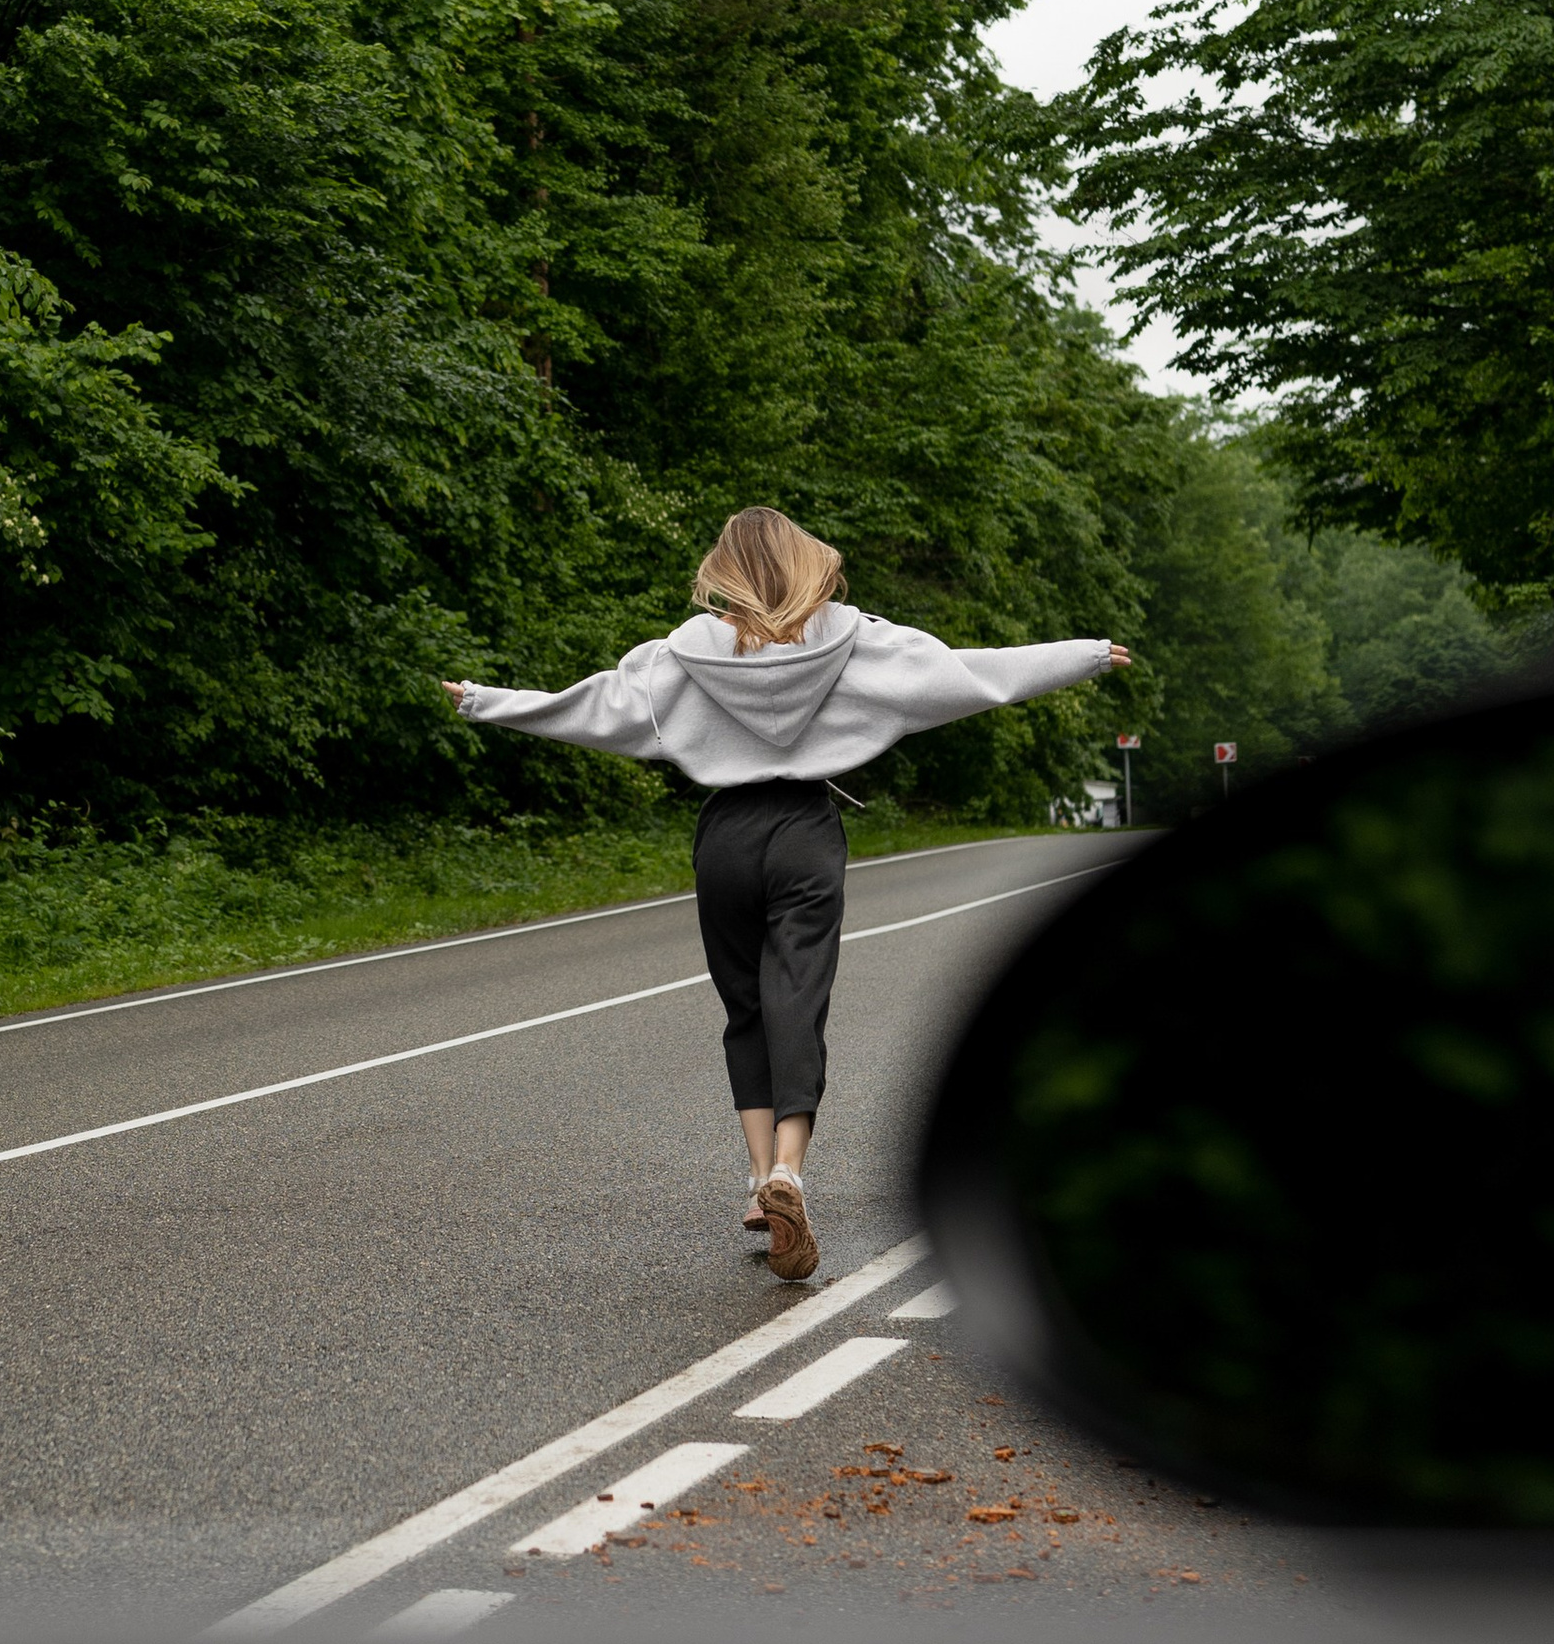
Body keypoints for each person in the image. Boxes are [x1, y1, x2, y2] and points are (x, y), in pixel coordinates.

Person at [443, 509, 1129, 1283]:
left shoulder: (681, 656)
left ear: (725, 569)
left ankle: (757, 1179)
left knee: (747, 1010)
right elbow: (972, 675)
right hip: (805, 830)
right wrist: (1084, 656)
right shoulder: (856, 639)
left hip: (726, 837)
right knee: (796, 998)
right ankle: (790, 1176)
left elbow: (594, 708)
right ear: (807, 562)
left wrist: (482, 700)